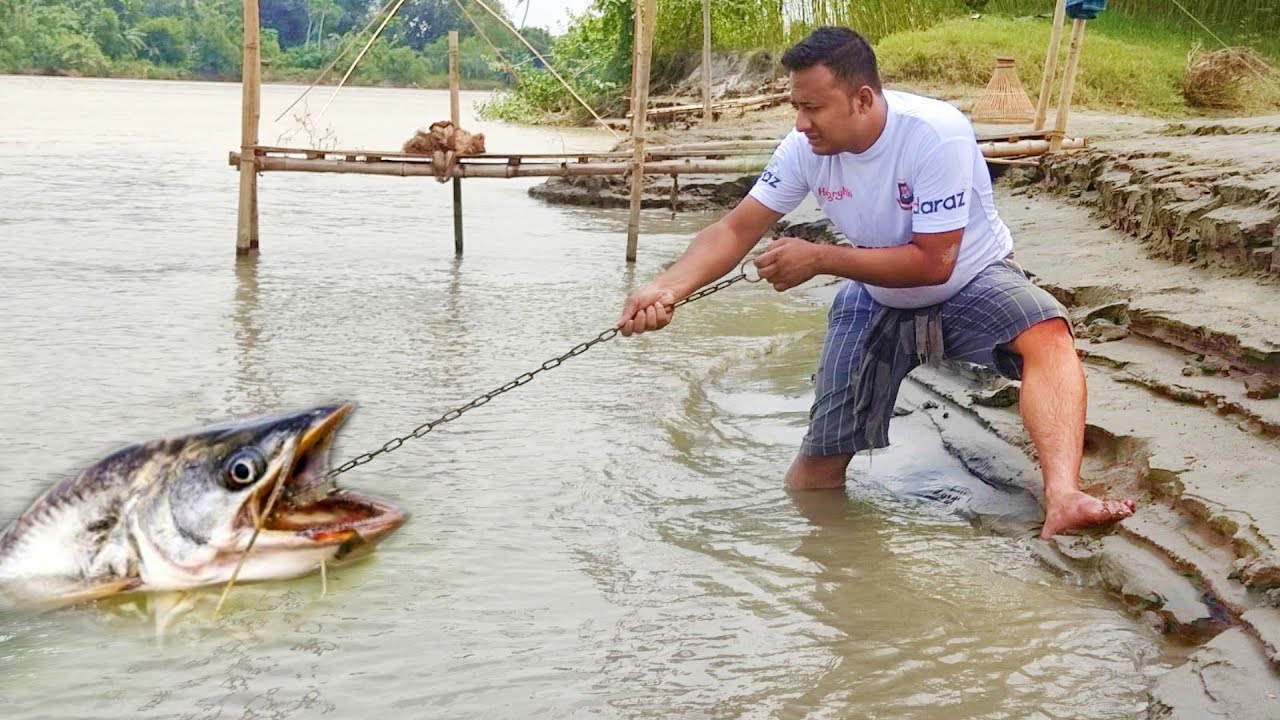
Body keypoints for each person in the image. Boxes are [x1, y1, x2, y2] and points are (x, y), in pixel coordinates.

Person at [615, 26, 1135, 539]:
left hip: (971, 279)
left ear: (862, 99)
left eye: (813, 108)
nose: (801, 124)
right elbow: (735, 229)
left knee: (1045, 329)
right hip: (875, 294)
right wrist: (668, 288)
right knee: (814, 476)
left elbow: (935, 264)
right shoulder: (804, 149)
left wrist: (820, 258)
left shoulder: (933, 134)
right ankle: (831, 573)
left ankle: (1064, 496)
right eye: (797, 107)